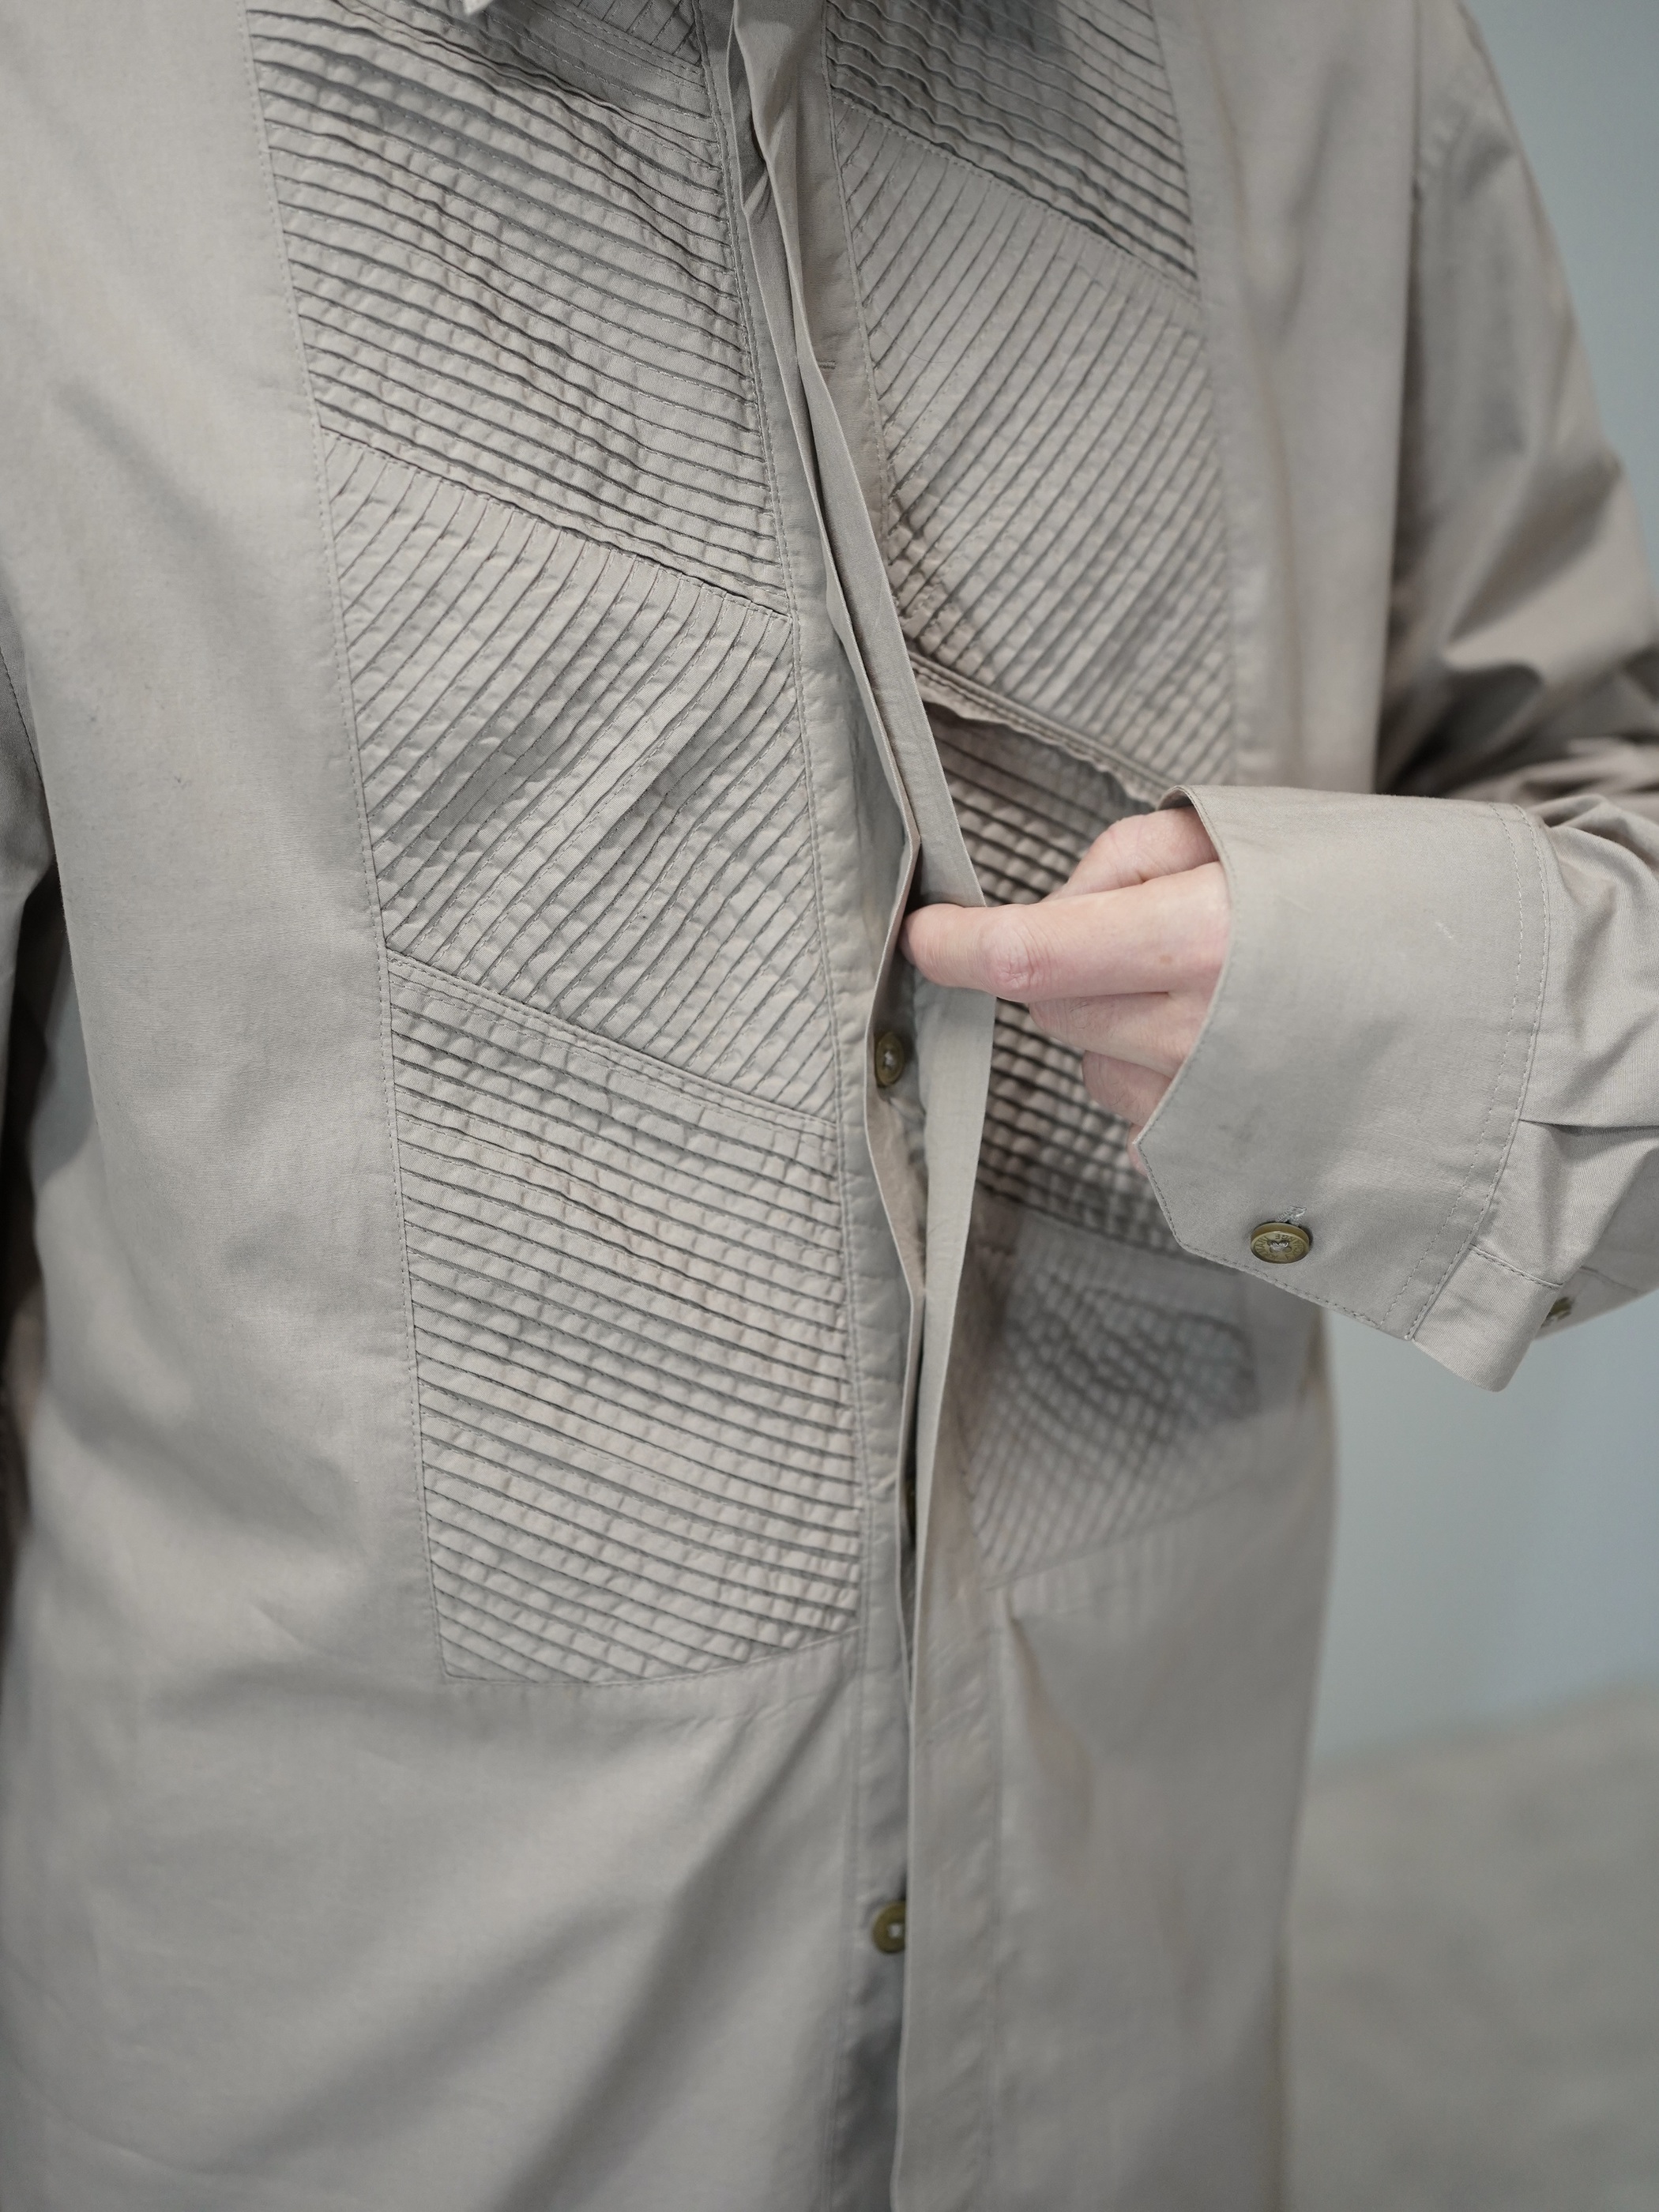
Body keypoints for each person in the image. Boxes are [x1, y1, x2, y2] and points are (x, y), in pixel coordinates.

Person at [0, 0, 1654, 2204]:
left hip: (1122, 2051)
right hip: (328, 2082)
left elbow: (1603, 800)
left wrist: (1371, 998)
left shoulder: (1332, 59)